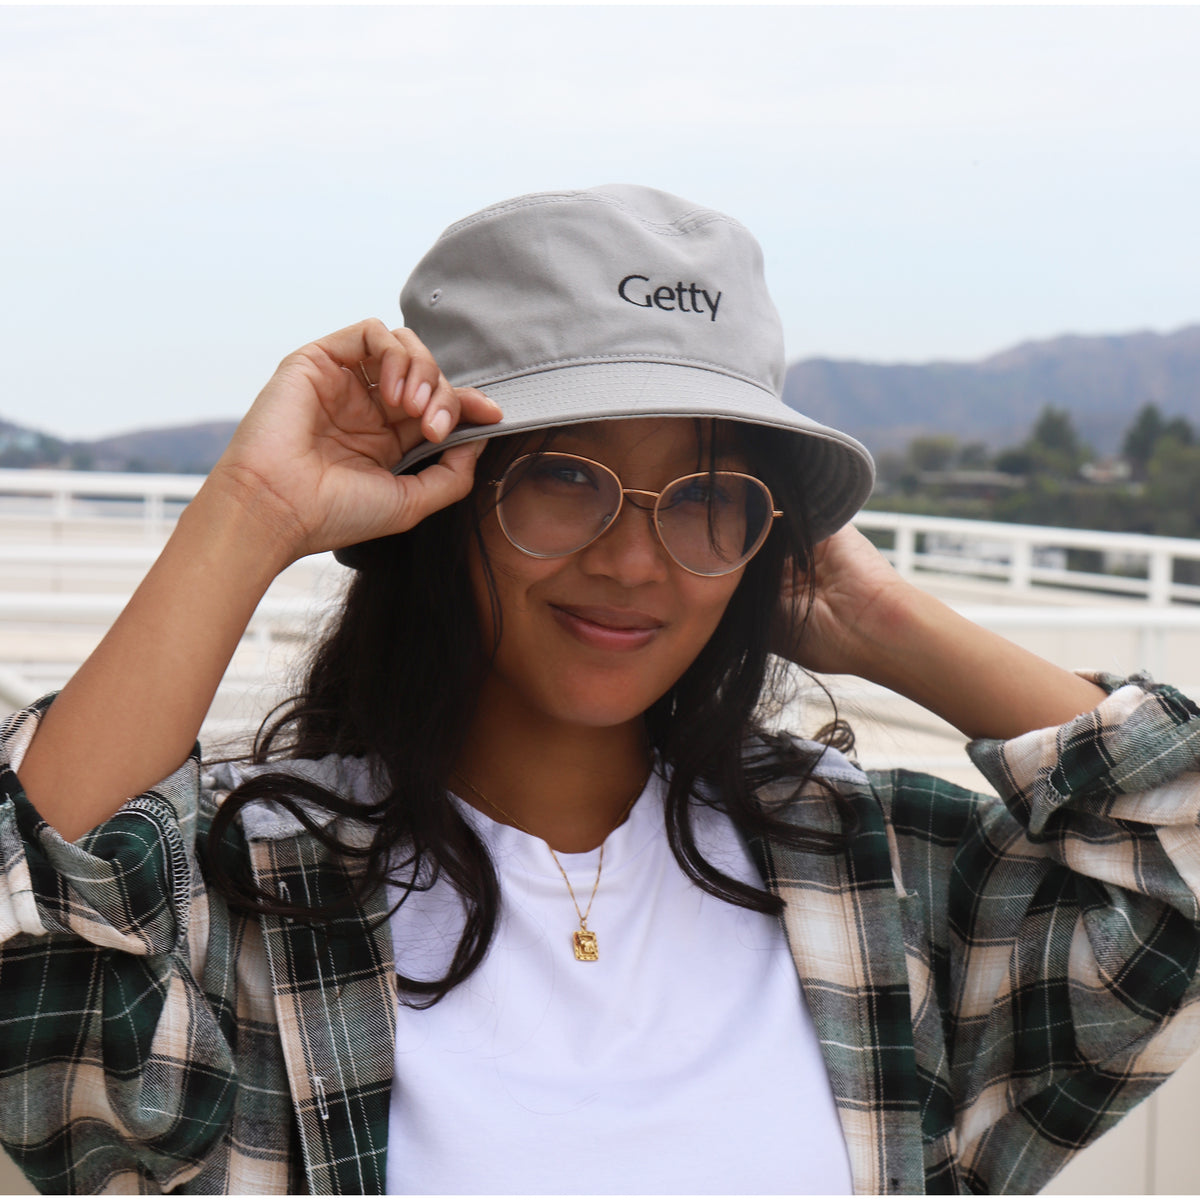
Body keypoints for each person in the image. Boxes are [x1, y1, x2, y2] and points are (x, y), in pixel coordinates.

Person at [1, 185, 1199, 1196]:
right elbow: (33, 986)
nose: (634, 560)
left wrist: (874, 615)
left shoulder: (867, 862)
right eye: (566, 478)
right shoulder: (258, 884)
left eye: (707, 494)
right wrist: (253, 512)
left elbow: (1178, 865)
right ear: (439, 497)